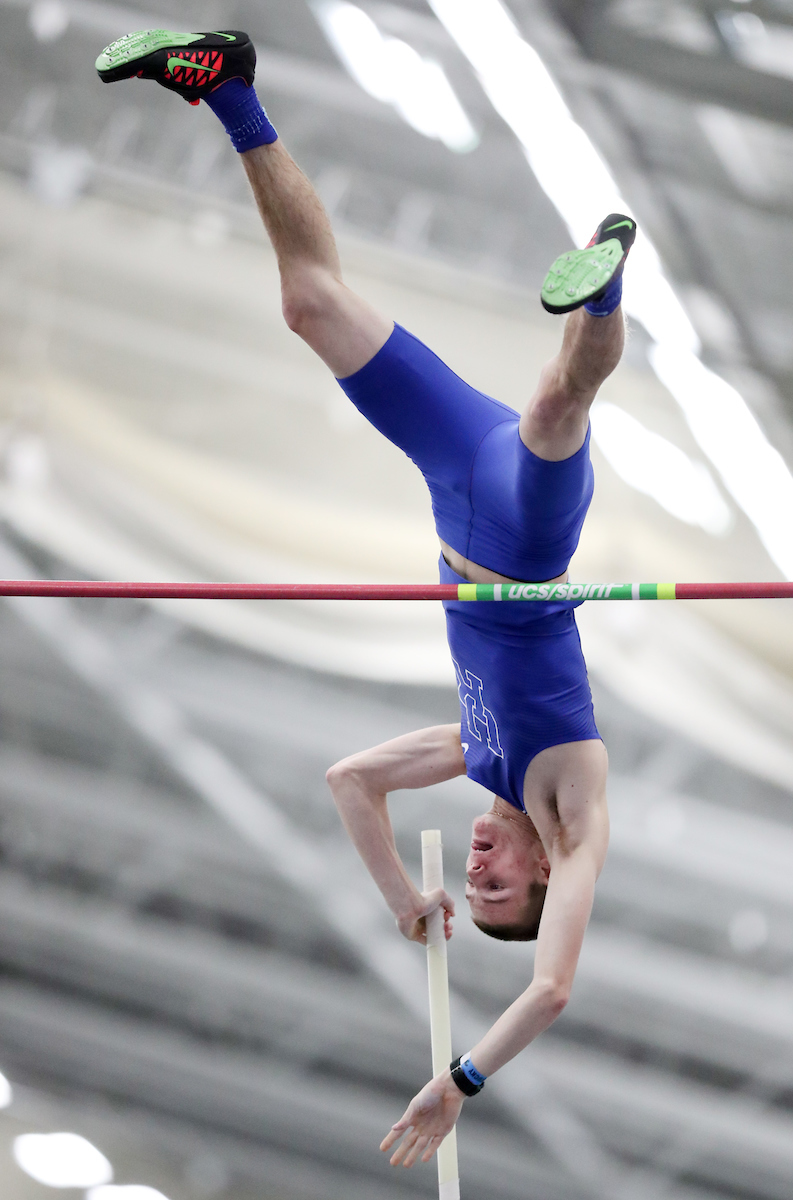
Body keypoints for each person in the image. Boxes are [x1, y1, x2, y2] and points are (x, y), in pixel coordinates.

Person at [96, 28, 636, 1170]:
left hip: (452, 489)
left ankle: (227, 88)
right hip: (524, 543)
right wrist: (460, 1081)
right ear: (543, 874)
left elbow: (349, 779)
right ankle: (605, 285)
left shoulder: (478, 754)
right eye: (498, 889)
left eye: (472, 892)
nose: (479, 874)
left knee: (310, 304)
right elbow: (551, 990)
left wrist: (402, 899)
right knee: (556, 409)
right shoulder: (575, 816)